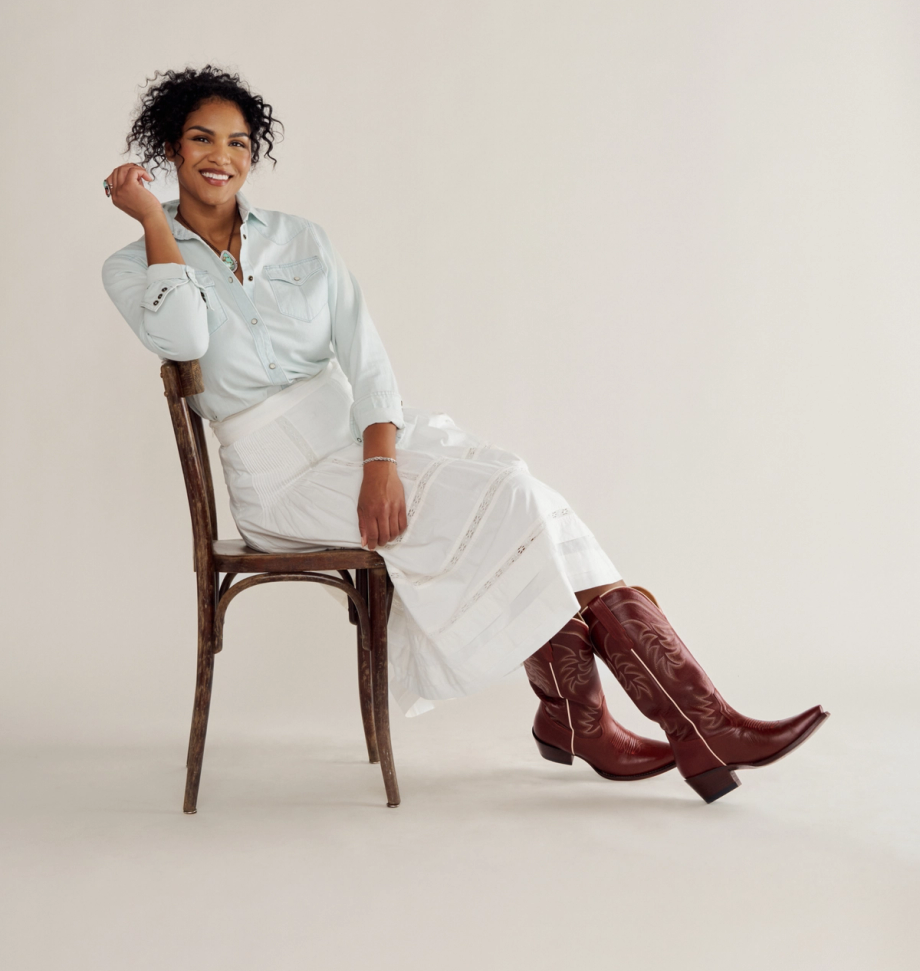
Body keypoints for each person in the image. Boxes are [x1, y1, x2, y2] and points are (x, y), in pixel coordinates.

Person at [103, 66, 828, 804]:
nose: (221, 156)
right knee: (510, 498)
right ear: (172, 147)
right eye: (202, 139)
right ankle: (673, 724)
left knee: (520, 489)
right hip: (282, 480)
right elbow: (183, 336)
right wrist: (155, 223)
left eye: (238, 142)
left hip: (356, 439)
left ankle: (628, 719)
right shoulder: (133, 265)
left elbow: (366, 357)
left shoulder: (301, 240)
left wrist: (380, 458)